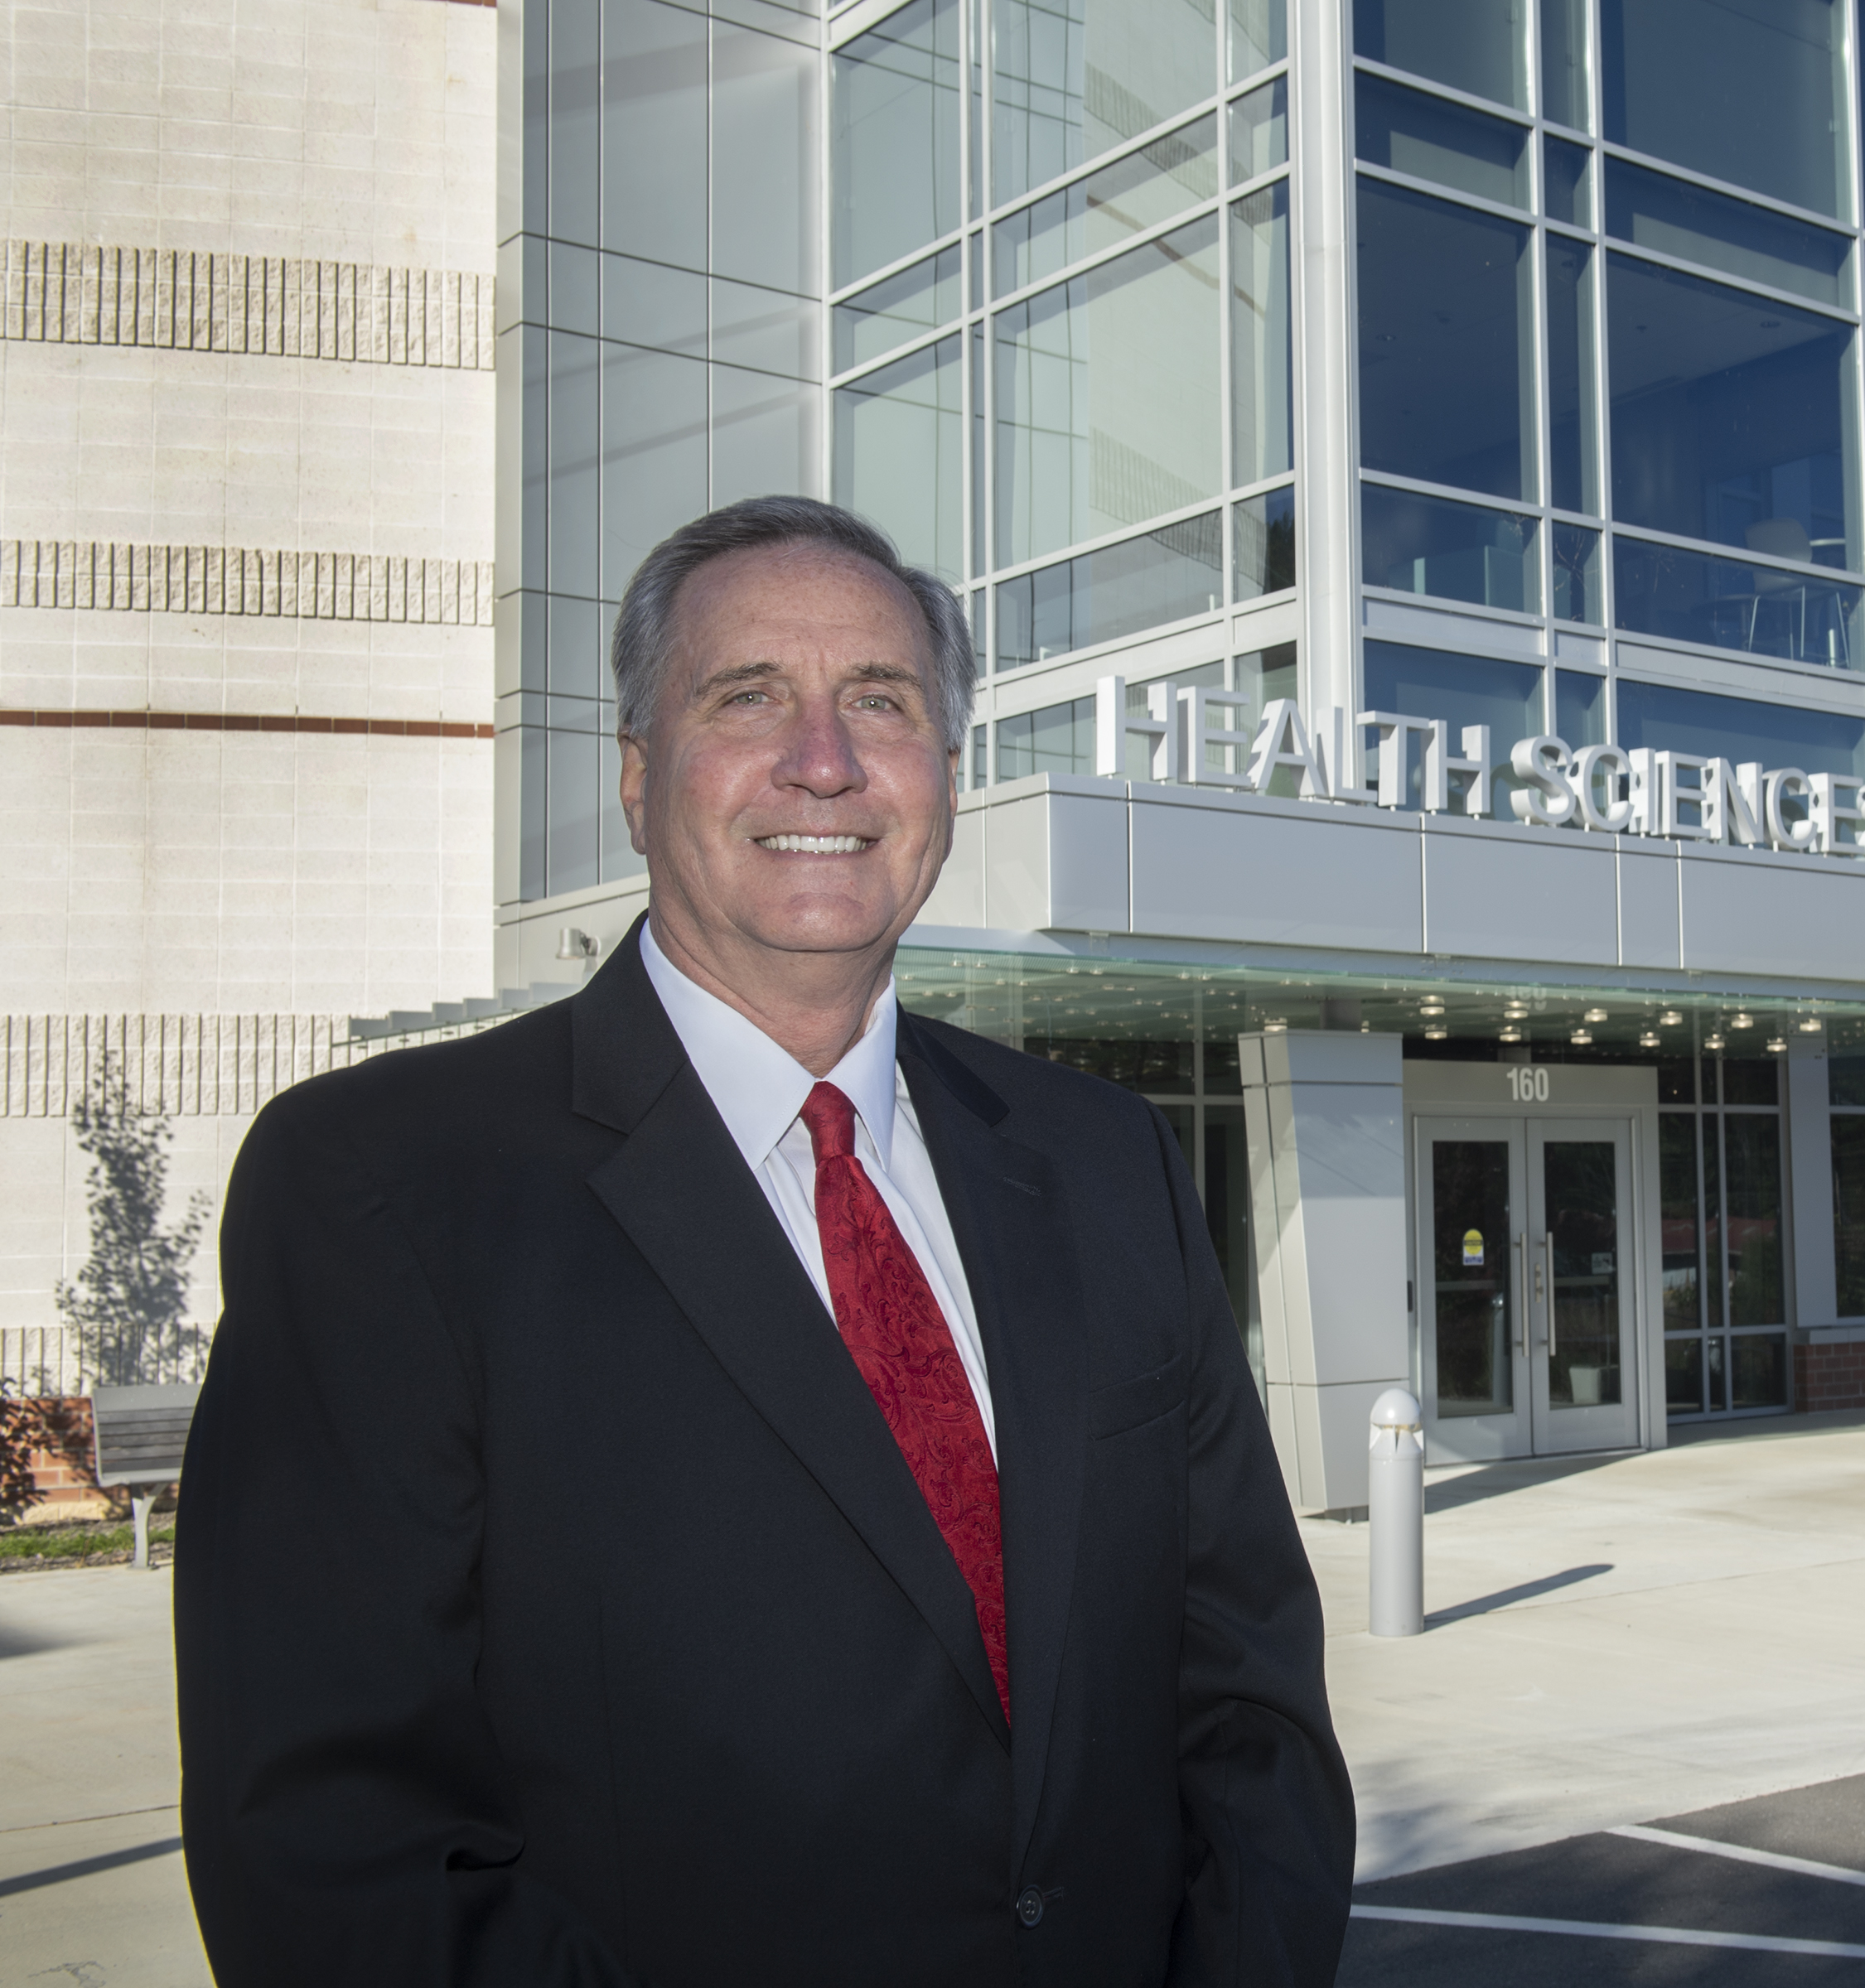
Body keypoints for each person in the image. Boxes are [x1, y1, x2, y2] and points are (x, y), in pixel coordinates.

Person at [176, 496, 1354, 1986]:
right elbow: (335, 1851)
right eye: (749, 697)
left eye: (882, 700)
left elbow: (1250, 1705)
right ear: (635, 773)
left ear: (945, 773)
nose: (826, 759)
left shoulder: (1105, 1158)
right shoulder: (383, 1188)